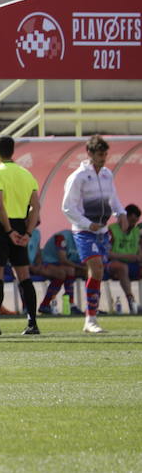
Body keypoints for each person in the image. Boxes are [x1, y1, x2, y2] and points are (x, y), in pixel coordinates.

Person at [61, 134, 126, 334]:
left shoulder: (107, 174)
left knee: (97, 272)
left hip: (102, 231)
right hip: (84, 231)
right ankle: (91, 319)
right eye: (99, 154)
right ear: (89, 153)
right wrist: (88, 224)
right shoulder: (78, 177)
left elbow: (113, 199)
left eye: (105, 154)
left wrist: (121, 213)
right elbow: (67, 207)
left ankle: (91, 318)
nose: (103, 158)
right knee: (97, 268)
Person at [0, 135, 43, 335]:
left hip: (1, 226)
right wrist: (28, 233)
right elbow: (36, 206)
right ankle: (32, 322)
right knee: (24, 275)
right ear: (13, 151)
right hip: (20, 225)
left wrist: (8, 231)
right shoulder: (26, 174)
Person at [107, 204, 140, 314]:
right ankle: (131, 300)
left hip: (133, 264)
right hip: (112, 264)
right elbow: (107, 253)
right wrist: (125, 257)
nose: (132, 225)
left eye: (135, 222)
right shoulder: (111, 231)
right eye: (131, 221)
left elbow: (139, 249)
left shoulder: (136, 232)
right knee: (122, 267)